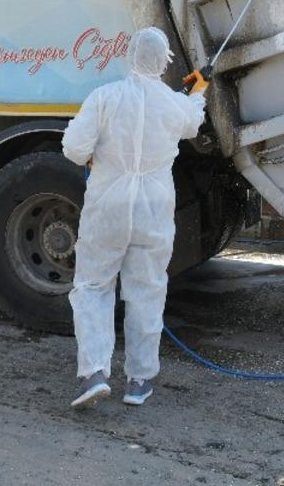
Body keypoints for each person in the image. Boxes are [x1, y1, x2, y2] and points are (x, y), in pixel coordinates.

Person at [62, 26, 208, 409]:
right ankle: (138, 382)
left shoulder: (105, 97)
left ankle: (94, 373)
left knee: (93, 286)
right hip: (154, 209)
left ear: (130, 57)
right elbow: (192, 122)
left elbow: (74, 148)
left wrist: (94, 157)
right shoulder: (175, 104)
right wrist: (197, 93)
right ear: (164, 63)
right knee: (147, 290)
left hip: (107, 205)